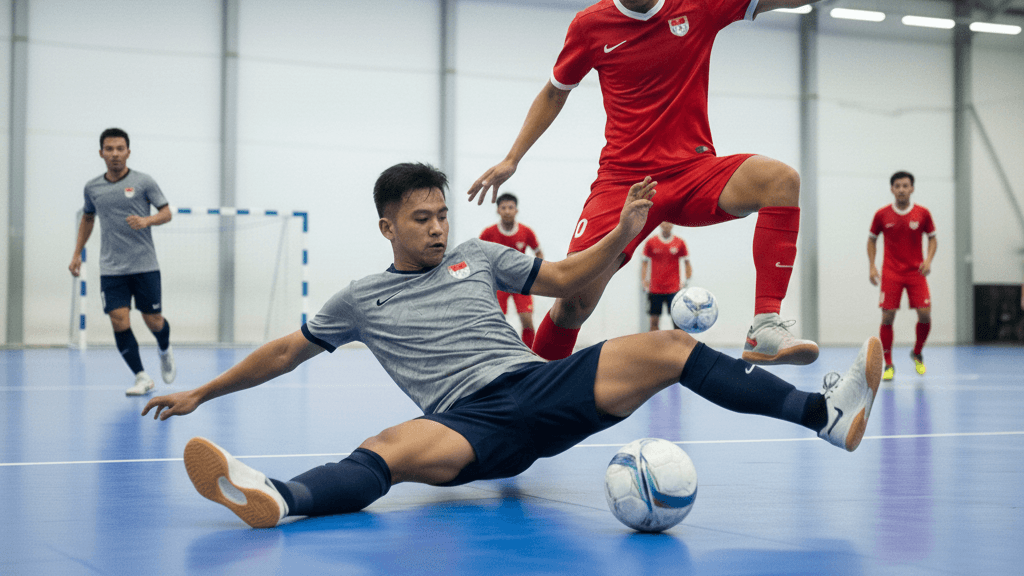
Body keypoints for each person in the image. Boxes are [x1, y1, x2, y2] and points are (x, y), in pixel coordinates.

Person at [142, 163, 881, 529]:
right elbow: (283, 352)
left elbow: (562, 278)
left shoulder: (481, 256)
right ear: (387, 227)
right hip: (467, 426)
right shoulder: (359, 299)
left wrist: (623, 238)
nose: (436, 228)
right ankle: (282, 498)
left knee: (665, 348)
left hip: (538, 388)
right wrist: (202, 391)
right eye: (421, 219)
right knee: (387, 447)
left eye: (440, 215)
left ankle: (823, 417)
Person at [466, 0, 821, 366]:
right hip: (623, 182)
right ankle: (529, 395)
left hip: (694, 171)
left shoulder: (698, 5)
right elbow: (556, 92)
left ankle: (764, 325)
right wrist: (513, 158)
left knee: (781, 180)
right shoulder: (590, 25)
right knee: (574, 302)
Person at [69, 128, 176, 396]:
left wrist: (147, 220)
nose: (115, 154)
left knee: (153, 321)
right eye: (109, 149)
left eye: (120, 148)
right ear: (101, 153)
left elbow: (166, 212)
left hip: (145, 265)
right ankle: (142, 377)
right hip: (112, 268)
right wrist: (76, 253)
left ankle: (164, 347)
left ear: (128, 151)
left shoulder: (144, 182)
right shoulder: (92, 188)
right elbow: (88, 218)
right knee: (119, 320)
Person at [868, 171, 937, 381]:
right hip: (891, 272)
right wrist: (872, 266)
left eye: (905, 186)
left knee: (925, 314)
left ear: (912, 188)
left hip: (916, 272)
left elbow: (933, 239)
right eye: (897, 186)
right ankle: (888, 364)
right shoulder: (882, 215)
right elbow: (871, 240)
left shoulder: (923, 214)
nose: (901, 189)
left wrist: (928, 261)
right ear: (892, 189)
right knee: (887, 316)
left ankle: (917, 352)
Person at [479, 192, 545, 346]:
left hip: (520, 282)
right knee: (496, 320)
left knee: (527, 320)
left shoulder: (526, 231)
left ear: (516, 210)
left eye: (510, 207)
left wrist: (536, 273)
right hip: (498, 282)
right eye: (503, 207)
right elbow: (477, 253)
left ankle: (529, 354)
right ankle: (495, 352)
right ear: (498, 210)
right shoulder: (488, 233)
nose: (507, 211)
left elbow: (538, 252)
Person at [641, 222, 692, 331]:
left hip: (673, 289)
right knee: (654, 321)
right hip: (655, 289)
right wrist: (644, 280)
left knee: (677, 321)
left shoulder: (679, 242)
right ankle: (655, 346)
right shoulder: (651, 242)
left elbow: (686, 262)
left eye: (669, 223)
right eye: (664, 223)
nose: (666, 225)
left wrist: (687, 279)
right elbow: (644, 262)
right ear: (660, 224)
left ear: (672, 225)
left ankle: (677, 346)